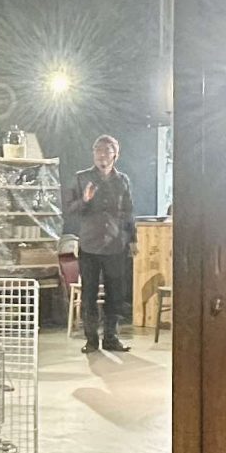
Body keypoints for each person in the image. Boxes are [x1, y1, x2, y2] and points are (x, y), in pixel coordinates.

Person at [64, 133, 137, 352]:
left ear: (115, 155)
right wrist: (85, 200)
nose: (101, 155)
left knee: (116, 294)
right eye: (97, 150)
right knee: (89, 294)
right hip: (90, 245)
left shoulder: (122, 180)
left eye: (106, 150)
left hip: (116, 245)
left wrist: (132, 239)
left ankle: (111, 338)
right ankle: (91, 340)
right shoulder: (81, 178)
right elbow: (69, 209)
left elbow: (128, 211)